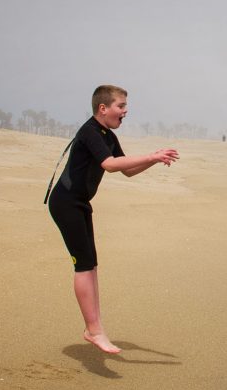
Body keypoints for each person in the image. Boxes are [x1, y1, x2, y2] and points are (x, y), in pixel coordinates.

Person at [46, 85, 179, 354]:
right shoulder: (91, 131)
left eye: (125, 106)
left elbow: (125, 169)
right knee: (83, 266)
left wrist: (154, 160)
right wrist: (151, 155)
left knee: (91, 266)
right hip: (66, 204)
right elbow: (108, 164)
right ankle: (93, 330)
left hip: (80, 204)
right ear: (102, 108)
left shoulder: (106, 133)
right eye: (121, 106)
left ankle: (95, 328)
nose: (125, 111)